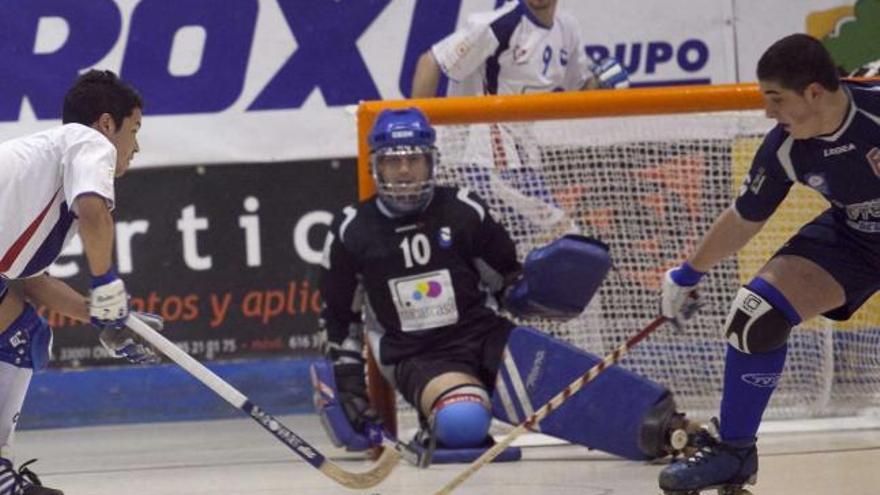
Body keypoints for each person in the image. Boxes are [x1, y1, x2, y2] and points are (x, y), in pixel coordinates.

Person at [310, 107, 697, 466]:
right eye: (394, 161)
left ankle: (671, 431)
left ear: (431, 160)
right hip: (419, 355)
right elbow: (341, 319)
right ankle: (441, 419)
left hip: (484, 335)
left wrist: (535, 293)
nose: (405, 170)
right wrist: (347, 387)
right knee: (464, 423)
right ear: (376, 165)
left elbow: (506, 282)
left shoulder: (463, 209)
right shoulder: (351, 230)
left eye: (414, 159)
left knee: (643, 417)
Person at [658, 33, 880, 494]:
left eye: (776, 99)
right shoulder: (785, 147)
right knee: (753, 315)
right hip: (857, 239)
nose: (768, 112)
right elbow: (745, 218)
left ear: (814, 92)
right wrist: (688, 273)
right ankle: (734, 453)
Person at [0, 70, 163, 495]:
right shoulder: (89, 142)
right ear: (107, 124)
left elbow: (30, 283)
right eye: (134, 129)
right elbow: (94, 211)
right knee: (20, 339)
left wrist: (101, 319)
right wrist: (108, 288)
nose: (136, 146)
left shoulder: (41, 175)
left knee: (24, 332)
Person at [410, 0, 628, 98]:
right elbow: (431, 61)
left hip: (522, 147)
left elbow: (580, 91)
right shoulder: (500, 25)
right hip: (478, 150)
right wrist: (418, 125)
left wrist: (602, 83)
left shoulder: (567, 29)